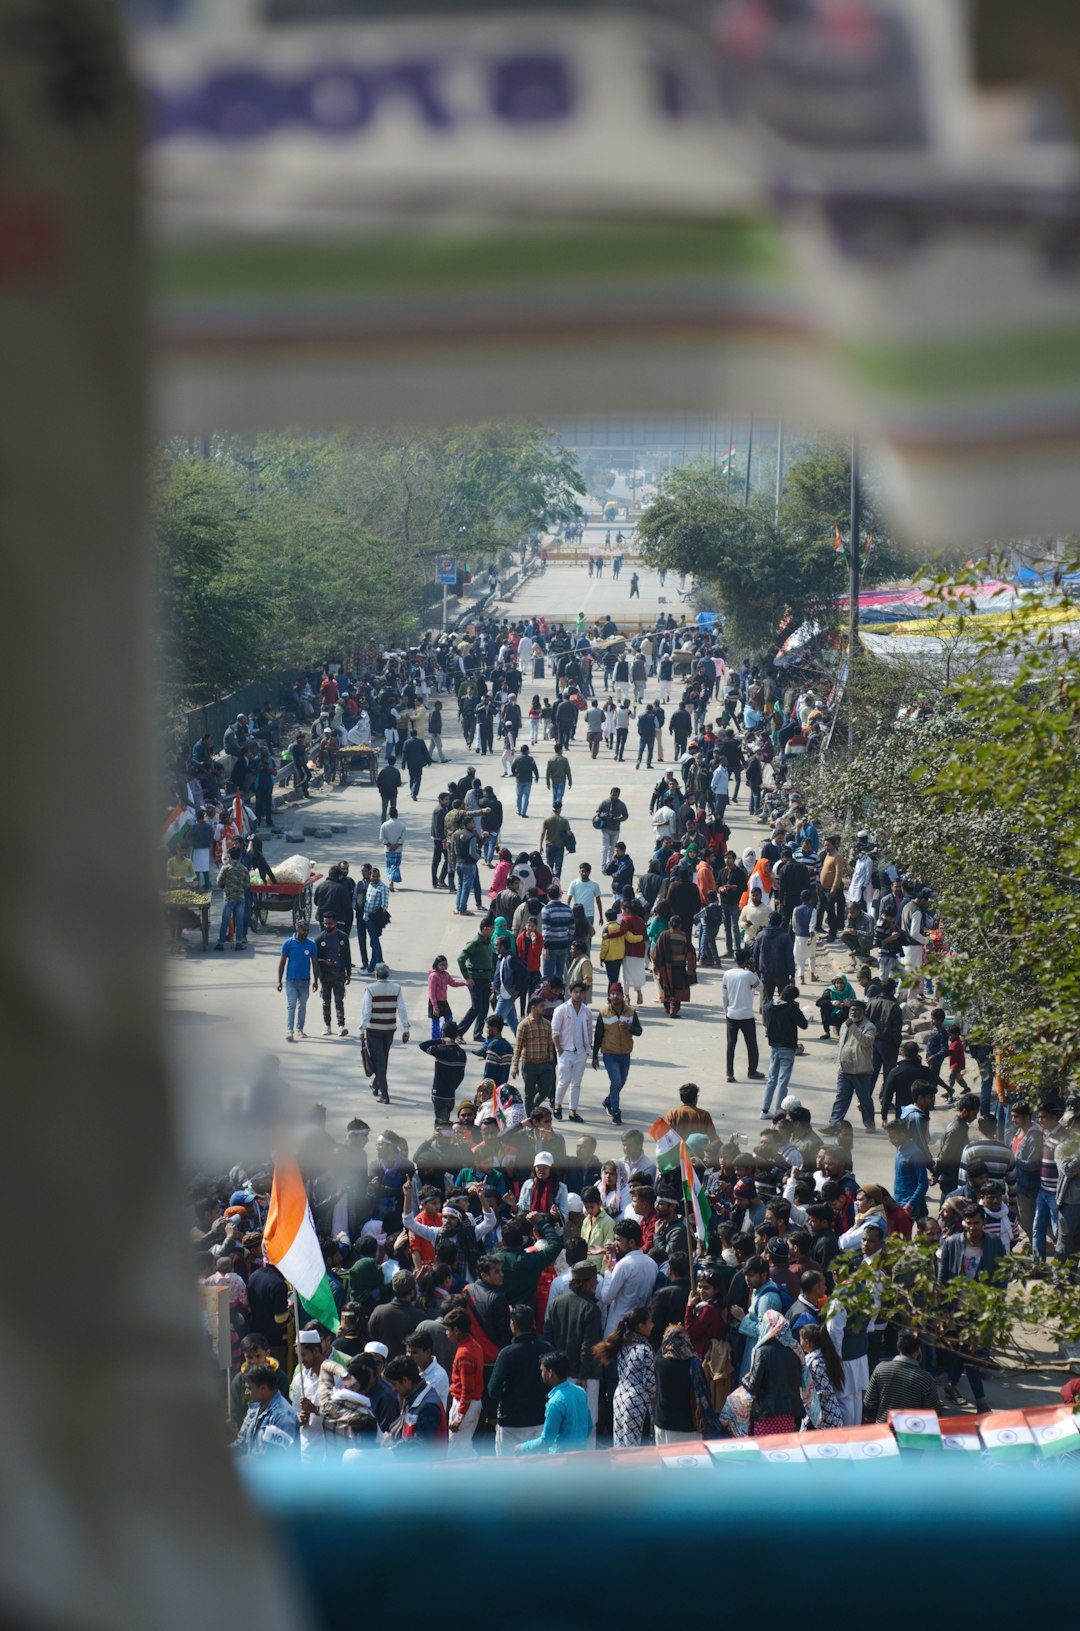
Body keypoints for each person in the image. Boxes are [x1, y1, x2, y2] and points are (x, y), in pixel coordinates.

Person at [487, 1304, 551, 1455]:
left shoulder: (506, 1354)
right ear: (534, 1324)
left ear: (513, 1325)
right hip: (539, 1421)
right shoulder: (547, 1349)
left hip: (510, 1422)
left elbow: (493, 1390)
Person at [594, 1306, 656, 1447]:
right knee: (639, 1449)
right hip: (638, 1402)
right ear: (641, 1326)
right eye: (650, 1322)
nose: (653, 1325)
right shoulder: (645, 1349)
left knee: (622, 1444)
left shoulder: (622, 1346)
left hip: (620, 1397)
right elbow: (650, 1385)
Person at [515, 1351, 594, 1454]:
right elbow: (589, 1426)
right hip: (580, 1455)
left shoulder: (555, 1402)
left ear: (550, 1373)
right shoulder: (580, 1392)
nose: (541, 1374)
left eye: (543, 1371)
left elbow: (546, 1440)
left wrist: (522, 1447)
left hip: (560, 1459)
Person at [358, 962, 411, 1105]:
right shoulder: (396, 988)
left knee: (379, 1061)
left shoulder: (370, 989)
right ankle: (376, 1085)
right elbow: (402, 1009)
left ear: (376, 973)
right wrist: (406, 1028)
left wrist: (362, 1029)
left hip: (374, 1030)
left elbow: (366, 1011)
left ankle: (385, 1094)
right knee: (383, 1058)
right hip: (389, 1029)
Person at [861, 1332, 941, 1422]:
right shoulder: (926, 1379)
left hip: (885, 1429)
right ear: (918, 1350)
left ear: (898, 1345)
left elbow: (868, 1403)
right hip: (912, 1430)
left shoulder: (880, 1369)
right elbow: (934, 1413)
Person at [829, 999, 878, 1132]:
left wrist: (853, 1027)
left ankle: (869, 1124)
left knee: (864, 1099)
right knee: (841, 1098)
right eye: (852, 1010)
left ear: (863, 1012)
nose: (854, 1013)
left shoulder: (869, 1027)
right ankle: (834, 1124)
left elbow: (866, 1042)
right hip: (844, 1069)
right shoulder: (845, 1025)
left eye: (857, 1011)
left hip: (861, 1070)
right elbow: (842, 1043)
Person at [441, 1308, 485, 1457]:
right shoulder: (474, 1345)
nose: (447, 1334)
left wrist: (458, 1417)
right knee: (465, 1446)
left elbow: (467, 1388)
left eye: (448, 1330)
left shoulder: (464, 1353)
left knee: (456, 1451)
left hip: (464, 1405)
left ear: (456, 1331)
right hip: (471, 1404)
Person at [761, 984, 807, 1117]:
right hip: (787, 1048)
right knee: (782, 1082)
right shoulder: (791, 1009)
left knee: (771, 1080)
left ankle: (764, 1110)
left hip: (774, 1047)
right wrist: (797, 1010)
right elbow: (804, 1024)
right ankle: (778, 1112)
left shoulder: (769, 1006)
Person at [235, 1364, 300, 1455]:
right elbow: (241, 1442)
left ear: (263, 1388)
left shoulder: (283, 1416)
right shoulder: (255, 1407)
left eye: (249, 1388)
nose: (246, 1393)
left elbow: (277, 1458)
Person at [552, 979, 593, 1123]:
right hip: (565, 1051)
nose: (578, 995)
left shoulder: (586, 1011)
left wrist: (588, 1050)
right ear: (570, 993)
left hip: (581, 1052)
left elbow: (589, 1031)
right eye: (575, 992)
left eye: (581, 992)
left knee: (576, 1083)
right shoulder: (561, 1009)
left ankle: (573, 1111)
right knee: (564, 1080)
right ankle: (557, 1106)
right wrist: (560, 1050)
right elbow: (555, 1032)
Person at [511, 991, 557, 1114]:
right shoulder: (524, 1025)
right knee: (529, 1094)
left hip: (545, 1064)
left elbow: (549, 1044)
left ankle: (533, 1108)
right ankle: (530, 1118)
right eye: (541, 1006)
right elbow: (518, 1047)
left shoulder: (547, 1024)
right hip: (529, 1064)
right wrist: (515, 1066)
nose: (544, 1008)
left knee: (545, 1092)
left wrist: (551, 1063)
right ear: (533, 1007)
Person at [722, 949, 763, 1083]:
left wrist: (726, 1011)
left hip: (731, 1014)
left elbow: (724, 996)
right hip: (746, 1015)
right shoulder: (748, 975)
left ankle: (729, 1073)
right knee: (751, 1045)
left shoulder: (727, 974)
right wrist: (754, 971)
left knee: (731, 1045)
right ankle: (752, 1071)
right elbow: (761, 988)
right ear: (747, 961)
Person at [419, 1022, 469, 1125]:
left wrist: (441, 1040)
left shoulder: (441, 1051)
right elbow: (461, 1076)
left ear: (443, 1034)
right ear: (456, 1035)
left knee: (441, 1125)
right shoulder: (462, 1053)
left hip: (439, 1094)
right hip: (451, 1095)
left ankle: (442, 1140)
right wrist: (453, 1087)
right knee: (445, 1121)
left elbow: (423, 1045)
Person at [277, 918, 318, 1042]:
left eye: (307, 930)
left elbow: (315, 963)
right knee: (291, 1005)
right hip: (291, 981)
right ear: (297, 929)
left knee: (302, 1006)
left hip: (305, 981)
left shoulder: (311, 945)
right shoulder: (288, 943)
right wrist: (279, 981)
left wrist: (316, 980)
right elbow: (282, 963)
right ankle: (290, 1030)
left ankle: (300, 1029)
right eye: (303, 930)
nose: (305, 933)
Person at [314, 913, 352, 1038]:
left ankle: (341, 1026)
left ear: (335, 923)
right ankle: (327, 1025)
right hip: (325, 975)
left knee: (339, 1000)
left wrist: (348, 973)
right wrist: (323, 962)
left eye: (329, 923)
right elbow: (315, 959)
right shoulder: (319, 939)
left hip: (339, 974)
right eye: (325, 923)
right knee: (326, 1001)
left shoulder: (343, 937)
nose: (327, 925)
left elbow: (347, 956)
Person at [653, 912, 692, 1018]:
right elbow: (690, 952)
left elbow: (655, 952)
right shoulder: (684, 936)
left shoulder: (664, 935)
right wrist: (691, 968)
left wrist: (657, 965)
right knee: (677, 988)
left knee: (667, 986)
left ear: (670, 924)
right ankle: (673, 1008)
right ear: (680, 925)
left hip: (665, 967)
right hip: (679, 966)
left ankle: (668, 1007)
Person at [215, 845, 250, 950]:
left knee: (225, 921)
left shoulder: (226, 868)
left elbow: (219, 882)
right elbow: (247, 884)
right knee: (239, 921)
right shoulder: (244, 869)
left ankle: (221, 943)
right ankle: (238, 943)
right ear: (240, 856)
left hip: (229, 898)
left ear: (229, 856)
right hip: (240, 898)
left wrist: (224, 886)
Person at [362, 866, 391, 971]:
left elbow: (384, 905)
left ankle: (372, 967)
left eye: (377, 876)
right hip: (366, 917)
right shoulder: (369, 885)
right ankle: (380, 961)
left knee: (374, 942)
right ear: (370, 876)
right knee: (375, 941)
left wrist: (375, 914)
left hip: (374, 919)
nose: (375, 878)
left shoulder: (382, 888)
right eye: (373, 876)